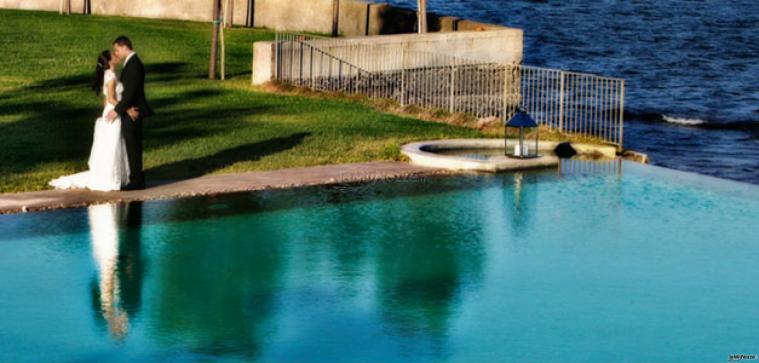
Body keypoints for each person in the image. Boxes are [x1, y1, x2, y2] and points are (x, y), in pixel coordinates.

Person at [49, 50, 133, 191]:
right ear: (109, 61)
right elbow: (112, 98)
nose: (117, 56)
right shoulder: (111, 76)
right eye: (113, 55)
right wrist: (126, 109)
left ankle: (114, 176)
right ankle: (112, 178)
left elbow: (106, 100)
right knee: (113, 144)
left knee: (110, 144)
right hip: (114, 112)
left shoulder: (108, 75)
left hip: (109, 111)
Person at [106, 35, 153, 190]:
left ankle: (136, 181)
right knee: (132, 146)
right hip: (130, 110)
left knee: (133, 146)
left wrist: (117, 111)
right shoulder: (131, 63)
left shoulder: (134, 64)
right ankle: (137, 178)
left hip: (134, 111)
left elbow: (130, 93)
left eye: (117, 50)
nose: (116, 53)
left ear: (125, 47)